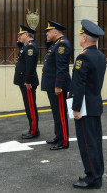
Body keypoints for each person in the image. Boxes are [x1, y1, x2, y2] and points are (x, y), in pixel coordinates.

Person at [70, 19, 106, 189]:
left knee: (87, 143)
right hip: (95, 105)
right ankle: (97, 173)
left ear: (84, 38)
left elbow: (79, 85)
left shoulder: (83, 57)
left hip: (84, 107)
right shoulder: (99, 55)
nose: (80, 38)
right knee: (95, 142)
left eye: (81, 35)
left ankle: (92, 178)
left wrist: (75, 108)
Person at [41, 20, 71, 150]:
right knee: (56, 113)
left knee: (60, 114)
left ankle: (63, 141)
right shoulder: (55, 44)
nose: (46, 33)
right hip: (52, 84)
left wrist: (59, 85)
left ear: (56, 32)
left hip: (57, 86)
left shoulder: (62, 45)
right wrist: (49, 39)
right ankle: (58, 136)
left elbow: (62, 67)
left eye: (49, 31)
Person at [14, 25, 40, 139]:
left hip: (27, 82)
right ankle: (32, 128)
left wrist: (28, 81)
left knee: (30, 106)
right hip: (24, 81)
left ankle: (34, 131)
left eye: (20, 34)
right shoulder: (26, 46)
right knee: (28, 106)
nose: (18, 36)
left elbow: (30, 66)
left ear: (27, 35)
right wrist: (19, 41)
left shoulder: (30, 47)